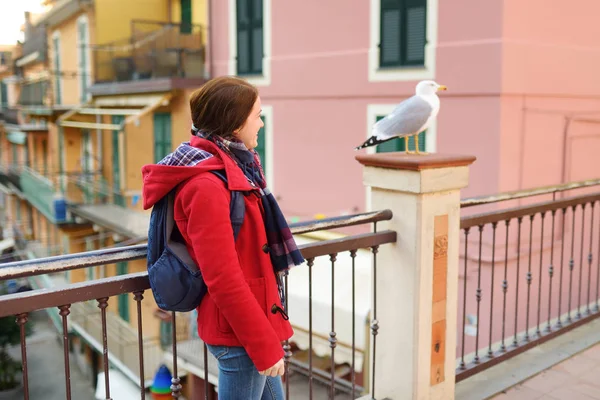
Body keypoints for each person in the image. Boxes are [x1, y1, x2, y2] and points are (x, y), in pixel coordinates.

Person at [141, 76, 305, 399]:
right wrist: (262, 343)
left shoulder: (236, 168)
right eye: (256, 115)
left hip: (253, 323)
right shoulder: (207, 186)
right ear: (234, 125)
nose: (261, 123)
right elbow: (223, 277)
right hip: (238, 335)